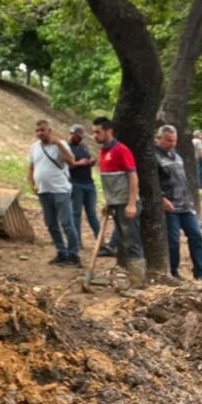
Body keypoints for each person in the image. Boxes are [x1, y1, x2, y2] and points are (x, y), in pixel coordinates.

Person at [92, 116, 147, 287]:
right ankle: (132, 280)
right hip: (116, 203)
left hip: (126, 204)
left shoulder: (121, 150)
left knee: (132, 242)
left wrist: (131, 204)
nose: (95, 135)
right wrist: (109, 202)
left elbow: (133, 177)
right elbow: (110, 182)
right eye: (94, 132)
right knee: (125, 241)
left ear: (109, 131)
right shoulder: (103, 152)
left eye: (98, 132)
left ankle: (138, 283)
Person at [156, 125, 202, 281]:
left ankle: (200, 272)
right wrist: (161, 198)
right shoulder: (153, 156)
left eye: (174, 140)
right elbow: (149, 183)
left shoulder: (175, 154)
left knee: (196, 236)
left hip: (186, 205)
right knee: (173, 241)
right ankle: (173, 272)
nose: (172, 144)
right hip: (170, 207)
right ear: (159, 138)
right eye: (168, 140)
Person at [27, 119, 81, 266]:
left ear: (49, 131)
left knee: (66, 223)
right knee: (51, 224)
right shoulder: (34, 147)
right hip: (44, 191)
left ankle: (74, 255)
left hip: (60, 190)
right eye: (37, 131)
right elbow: (31, 167)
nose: (40, 133)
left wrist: (58, 144)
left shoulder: (60, 145)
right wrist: (32, 184)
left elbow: (71, 162)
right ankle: (61, 252)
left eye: (43, 130)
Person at [68, 124, 101, 244]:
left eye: (81, 137)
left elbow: (87, 159)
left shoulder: (83, 147)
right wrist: (78, 163)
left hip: (89, 182)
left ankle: (100, 240)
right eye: (78, 136)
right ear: (71, 134)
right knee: (76, 213)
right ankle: (77, 240)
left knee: (92, 213)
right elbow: (66, 166)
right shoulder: (66, 148)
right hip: (75, 183)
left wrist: (91, 162)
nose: (80, 139)